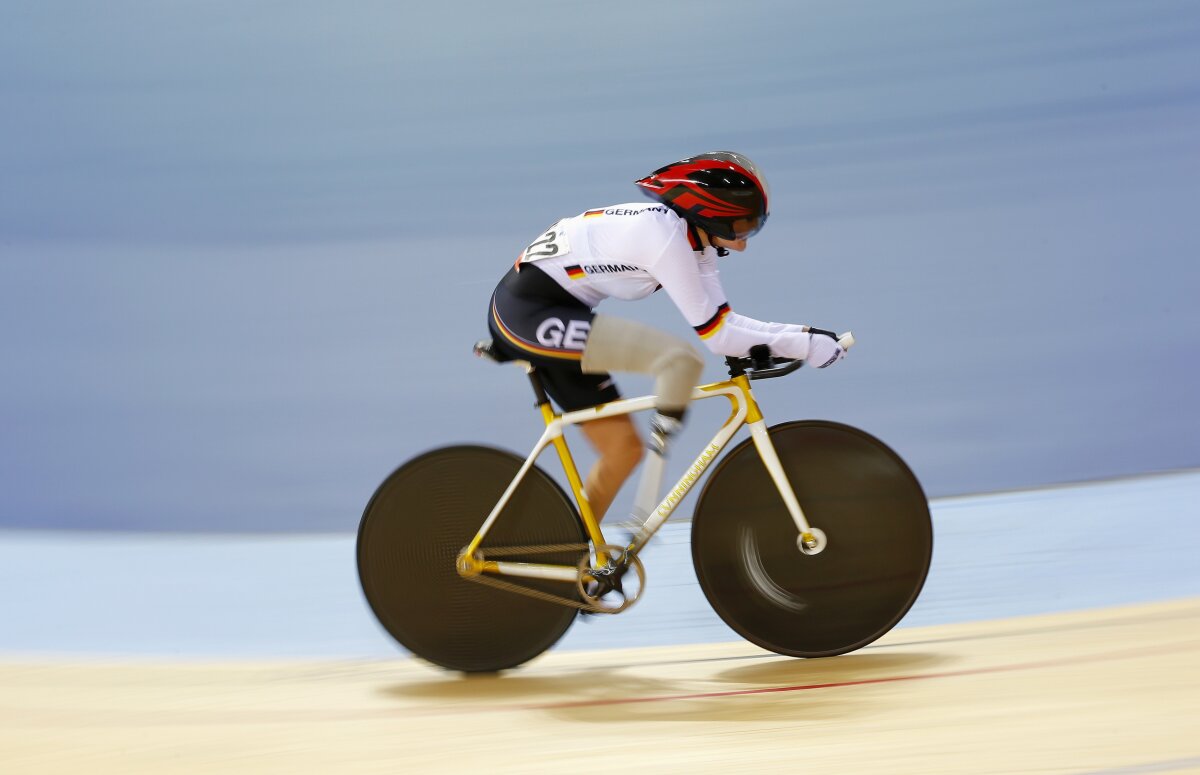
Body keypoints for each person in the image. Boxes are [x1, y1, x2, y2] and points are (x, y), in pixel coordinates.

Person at [485, 151, 845, 526]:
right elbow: (719, 337)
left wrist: (802, 335)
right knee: (678, 360)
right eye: (741, 227)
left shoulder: (694, 239)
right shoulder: (664, 239)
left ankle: (566, 548)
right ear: (710, 214)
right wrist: (805, 346)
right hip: (526, 315)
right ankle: (648, 470)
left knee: (623, 451)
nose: (744, 242)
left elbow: (726, 321)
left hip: (556, 310)